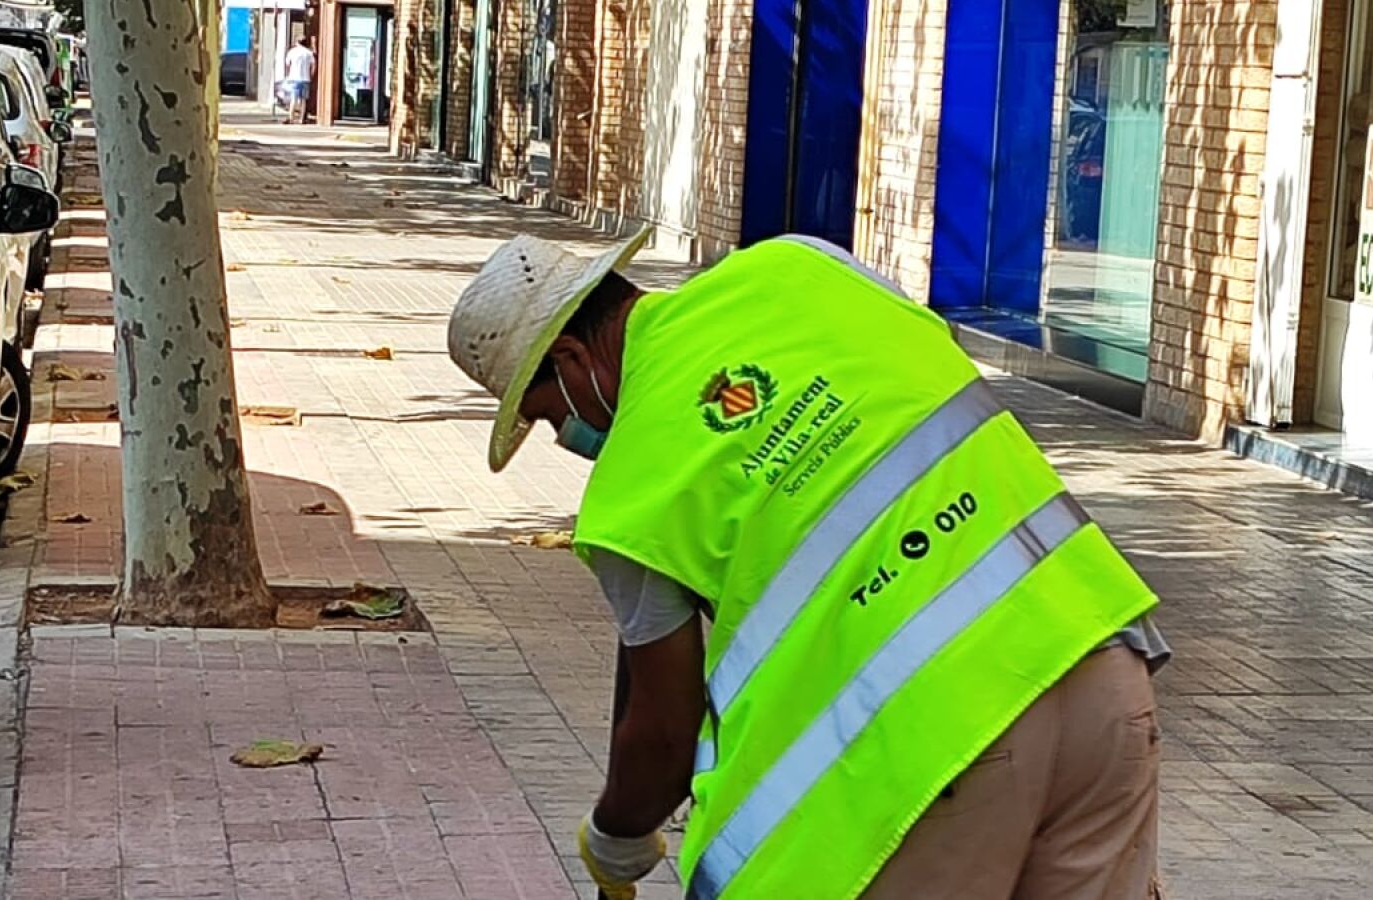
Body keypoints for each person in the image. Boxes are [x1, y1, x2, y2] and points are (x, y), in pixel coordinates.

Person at [447, 230, 1171, 900]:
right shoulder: (800, 263)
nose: (565, 436)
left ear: (571, 360)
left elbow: (664, 737)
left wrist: (616, 836)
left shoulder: (626, 501)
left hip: (939, 747)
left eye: (548, 414)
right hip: (1096, 662)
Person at [282, 36, 315, 125]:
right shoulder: (309, 53)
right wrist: (310, 75)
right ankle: (301, 119)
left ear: (297, 42)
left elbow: (287, 64)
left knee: (294, 99)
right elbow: (313, 66)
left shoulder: (292, 51)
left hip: (294, 78)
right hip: (305, 79)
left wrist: (288, 74)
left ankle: (291, 118)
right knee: (303, 100)